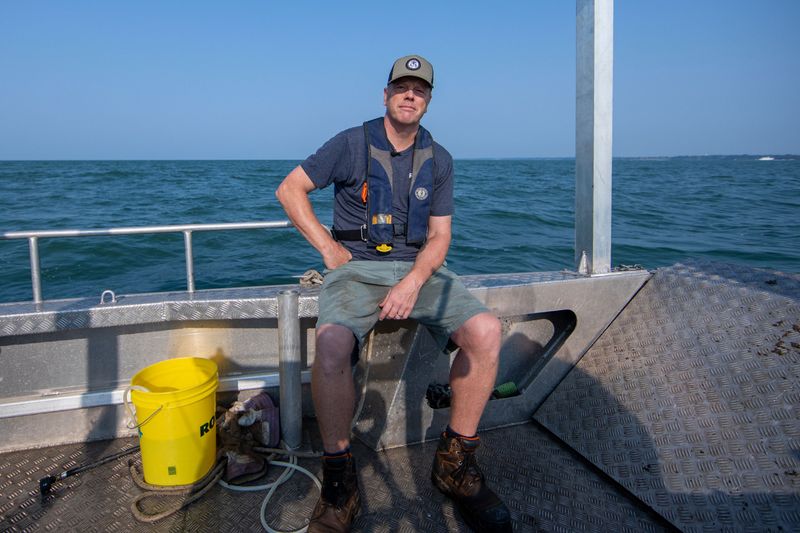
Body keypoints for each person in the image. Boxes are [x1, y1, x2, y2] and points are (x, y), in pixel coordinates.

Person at [276, 54, 512, 533]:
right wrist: (329, 249)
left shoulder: (439, 159)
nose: (410, 95)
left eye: (419, 90)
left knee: (486, 331)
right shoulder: (349, 144)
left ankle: (455, 465)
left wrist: (412, 280)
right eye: (401, 87)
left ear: (427, 100)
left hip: (418, 270)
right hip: (356, 268)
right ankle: (339, 478)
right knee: (331, 346)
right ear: (385, 95)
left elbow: (440, 237)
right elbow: (290, 190)